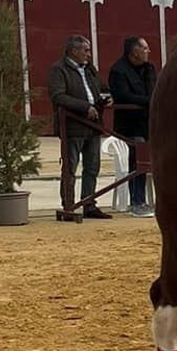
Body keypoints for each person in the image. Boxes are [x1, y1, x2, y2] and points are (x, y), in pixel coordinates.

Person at [47, 34, 112, 218]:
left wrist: (106, 97)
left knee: (92, 167)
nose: (88, 54)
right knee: (70, 168)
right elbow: (58, 96)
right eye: (86, 50)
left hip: (92, 126)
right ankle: (69, 204)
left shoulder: (90, 69)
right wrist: (85, 107)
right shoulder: (58, 70)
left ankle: (89, 203)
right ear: (73, 51)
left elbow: (101, 87)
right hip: (73, 126)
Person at [107, 35, 157, 212]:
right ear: (135, 52)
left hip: (147, 124)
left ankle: (152, 200)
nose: (148, 52)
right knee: (137, 161)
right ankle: (137, 202)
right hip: (128, 126)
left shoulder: (149, 69)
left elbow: (155, 89)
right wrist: (149, 100)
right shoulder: (118, 71)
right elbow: (122, 96)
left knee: (149, 160)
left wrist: (151, 100)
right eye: (144, 48)